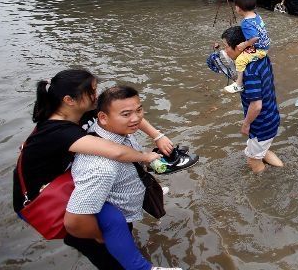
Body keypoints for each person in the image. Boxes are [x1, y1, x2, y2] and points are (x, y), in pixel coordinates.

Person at [12, 69, 178, 270]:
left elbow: (125, 113)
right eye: (92, 91)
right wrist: (146, 156)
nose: (96, 95)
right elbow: (115, 152)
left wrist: (158, 136)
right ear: (69, 99)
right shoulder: (58, 131)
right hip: (41, 196)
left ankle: (122, 247)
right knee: (110, 227)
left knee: (114, 223)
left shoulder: (79, 111)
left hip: (68, 179)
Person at [64, 86, 183, 270]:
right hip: (104, 228)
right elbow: (74, 222)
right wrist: (102, 237)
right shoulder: (101, 167)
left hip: (121, 202)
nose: (136, 119)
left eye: (139, 110)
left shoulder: (112, 131)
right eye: (126, 114)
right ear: (102, 117)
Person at [221, 26, 283, 173]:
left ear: (238, 47)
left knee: (253, 160)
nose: (224, 51)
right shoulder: (261, 56)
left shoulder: (249, 71)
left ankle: (263, 187)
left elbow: (256, 105)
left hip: (261, 124)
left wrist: (246, 124)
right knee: (262, 150)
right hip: (271, 116)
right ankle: (282, 170)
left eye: (226, 47)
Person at [223, 0, 271, 94]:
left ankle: (239, 84)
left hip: (260, 49)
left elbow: (254, 38)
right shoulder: (256, 16)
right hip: (265, 45)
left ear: (239, 8)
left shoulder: (246, 23)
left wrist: (244, 44)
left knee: (240, 60)